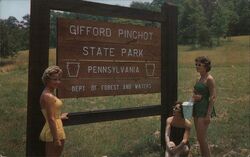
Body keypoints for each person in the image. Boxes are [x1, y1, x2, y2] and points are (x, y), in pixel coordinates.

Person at [40, 65, 68, 157]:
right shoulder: (48, 96)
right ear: (47, 80)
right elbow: (51, 119)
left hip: (56, 128)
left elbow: (51, 114)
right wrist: (56, 139)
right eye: (54, 79)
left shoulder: (49, 93)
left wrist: (59, 116)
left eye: (59, 79)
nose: (58, 82)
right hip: (54, 131)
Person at [192, 56, 216, 157]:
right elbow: (196, 92)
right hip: (196, 108)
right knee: (199, 138)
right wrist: (195, 96)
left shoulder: (209, 79)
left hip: (204, 110)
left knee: (202, 138)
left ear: (206, 66)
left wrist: (208, 115)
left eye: (199, 65)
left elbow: (213, 97)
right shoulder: (199, 78)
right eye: (196, 65)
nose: (197, 67)